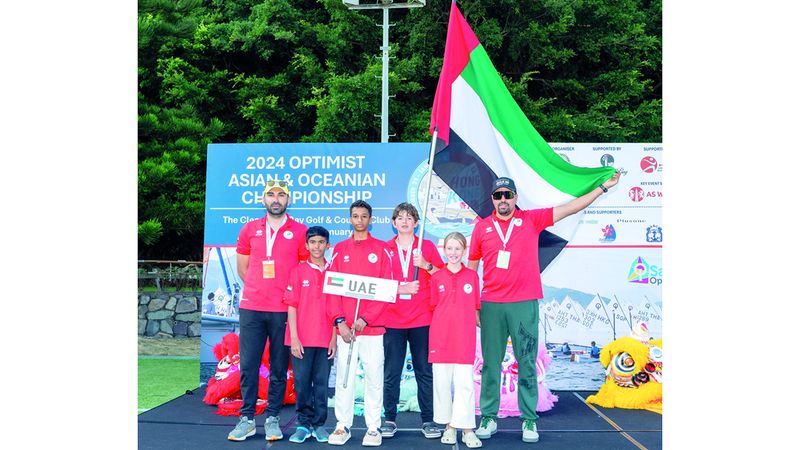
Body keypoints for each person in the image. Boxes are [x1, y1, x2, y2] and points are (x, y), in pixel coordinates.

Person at [470, 173, 620, 443]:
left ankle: (529, 420)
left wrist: (601, 188)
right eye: (498, 195)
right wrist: (473, 306)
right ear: (492, 200)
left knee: (526, 362)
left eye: (508, 195)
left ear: (515, 197)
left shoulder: (531, 219)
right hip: (491, 304)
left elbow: (571, 207)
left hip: (524, 304)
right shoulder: (482, 228)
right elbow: (471, 269)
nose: (503, 200)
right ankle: (489, 417)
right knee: (490, 364)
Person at [228, 179, 310, 442]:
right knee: (249, 365)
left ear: (289, 200)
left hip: (283, 310)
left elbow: (302, 272)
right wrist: (259, 289)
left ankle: (273, 417)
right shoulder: (249, 229)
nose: (276, 199)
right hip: (252, 308)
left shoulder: (300, 231)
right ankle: (247, 418)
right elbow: (243, 269)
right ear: (263, 199)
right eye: (271, 195)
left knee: (278, 367)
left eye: (281, 195)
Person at [326, 200, 410, 447]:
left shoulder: (382, 250)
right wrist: (340, 322)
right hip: (346, 331)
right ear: (350, 219)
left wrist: (365, 318)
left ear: (370, 220)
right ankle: (343, 425)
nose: (359, 220)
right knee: (344, 378)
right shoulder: (340, 250)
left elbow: (386, 291)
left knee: (374, 378)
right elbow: (332, 291)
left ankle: (373, 427)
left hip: (371, 330)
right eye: (355, 216)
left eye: (364, 216)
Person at [380, 203, 445, 440]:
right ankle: (389, 419)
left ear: (417, 223)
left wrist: (425, 265)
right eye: (400, 217)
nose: (405, 221)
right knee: (392, 372)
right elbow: (376, 284)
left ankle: (428, 420)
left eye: (410, 218)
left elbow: (443, 276)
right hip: (393, 320)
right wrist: (401, 288)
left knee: (424, 372)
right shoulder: (385, 249)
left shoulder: (425, 246)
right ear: (393, 223)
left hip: (422, 319)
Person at [283, 226, 337, 443]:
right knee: (303, 382)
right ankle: (304, 424)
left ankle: (319, 425)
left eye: (321, 242)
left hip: (325, 339)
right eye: (312, 242)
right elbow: (292, 306)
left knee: (322, 383)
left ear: (327, 245)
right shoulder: (297, 272)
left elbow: (337, 309)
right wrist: (294, 337)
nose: (317, 246)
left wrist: (333, 338)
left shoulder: (335, 273)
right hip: (301, 340)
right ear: (306, 245)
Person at [429, 232, 483, 448]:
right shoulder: (436, 277)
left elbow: (475, 309)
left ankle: (468, 429)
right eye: (449, 248)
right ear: (444, 250)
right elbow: (434, 307)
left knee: (464, 384)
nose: (453, 253)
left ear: (464, 251)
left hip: (464, 338)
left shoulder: (472, 276)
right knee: (441, 384)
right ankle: (449, 426)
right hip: (440, 338)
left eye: (457, 249)